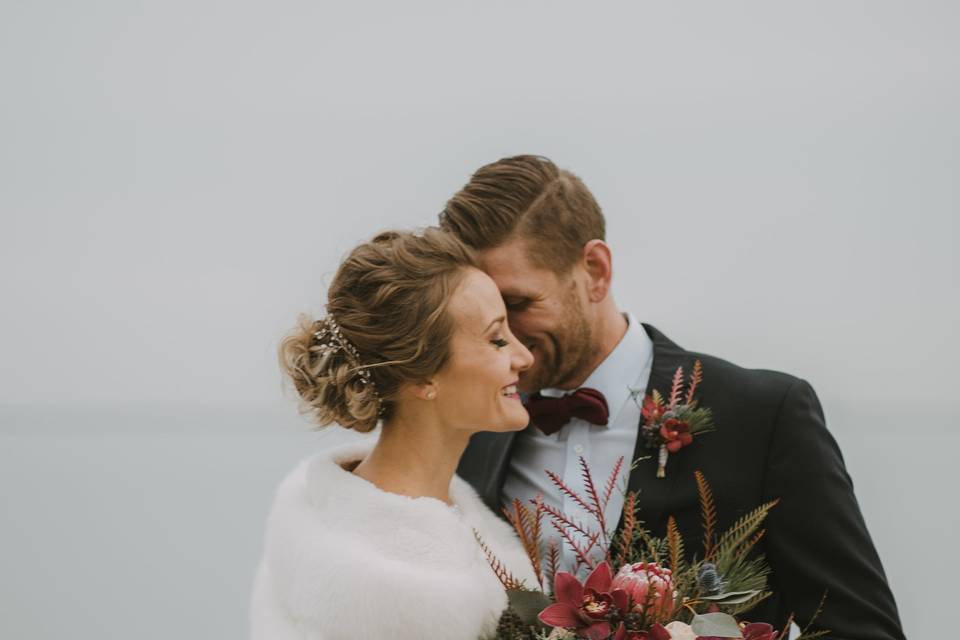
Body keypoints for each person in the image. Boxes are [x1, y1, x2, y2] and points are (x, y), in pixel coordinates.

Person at [441, 155, 906, 639]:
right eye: (486, 317)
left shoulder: (763, 417)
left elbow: (861, 630)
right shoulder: (470, 434)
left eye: (517, 305)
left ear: (595, 270)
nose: (504, 341)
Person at [249, 229, 538, 640]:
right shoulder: (394, 598)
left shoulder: (320, 515)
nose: (523, 357)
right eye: (496, 339)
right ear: (423, 376)